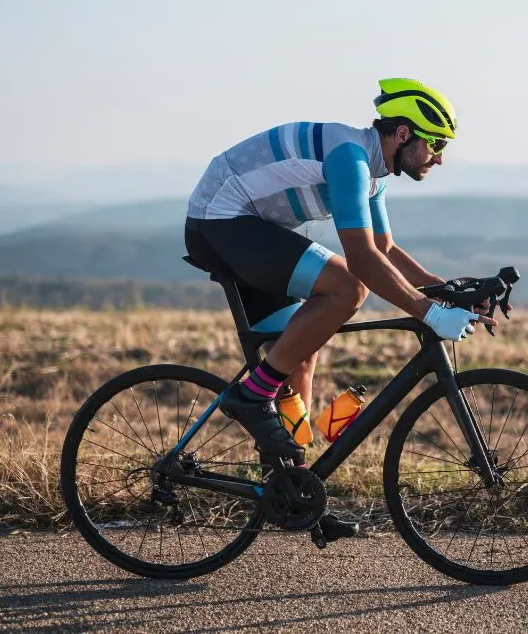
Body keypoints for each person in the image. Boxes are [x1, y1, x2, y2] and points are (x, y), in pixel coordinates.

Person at [183, 78, 496, 540]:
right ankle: (251, 395)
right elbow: (363, 260)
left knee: (298, 354)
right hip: (221, 221)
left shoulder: (372, 170)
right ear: (404, 134)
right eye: (436, 143)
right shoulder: (350, 157)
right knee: (348, 288)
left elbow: (384, 248)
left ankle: (293, 491)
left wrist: (447, 291)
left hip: (250, 229)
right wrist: (426, 311)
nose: (440, 157)